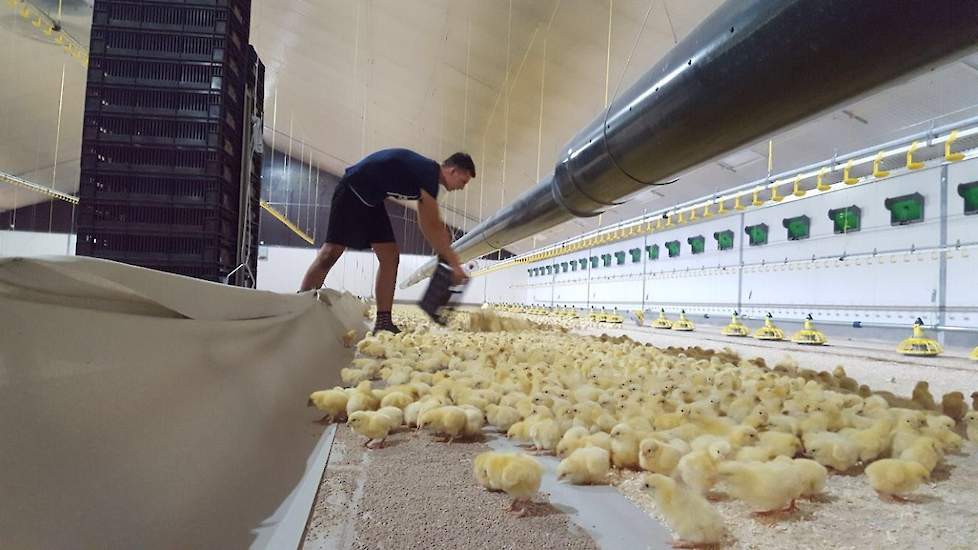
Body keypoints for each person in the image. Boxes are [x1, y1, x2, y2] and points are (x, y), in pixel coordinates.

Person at [299, 148, 475, 334]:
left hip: (372, 201)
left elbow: (429, 223)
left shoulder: (427, 177)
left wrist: (447, 258)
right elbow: (432, 225)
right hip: (352, 190)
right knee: (330, 252)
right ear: (453, 170)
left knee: (390, 256)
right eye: (463, 181)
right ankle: (301, 305)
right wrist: (454, 264)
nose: (462, 187)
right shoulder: (428, 172)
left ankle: (384, 321)